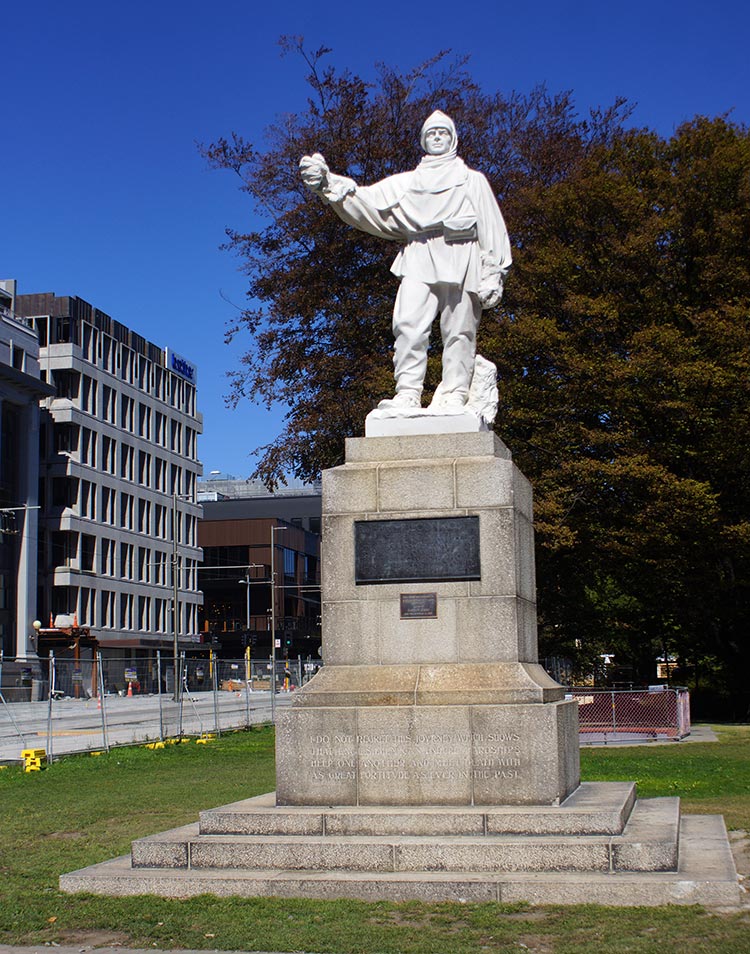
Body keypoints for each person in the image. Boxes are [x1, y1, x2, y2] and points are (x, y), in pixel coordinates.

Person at [300, 111, 512, 410]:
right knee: (407, 324)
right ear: (424, 140)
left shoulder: (471, 181)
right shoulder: (407, 183)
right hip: (419, 253)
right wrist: (327, 182)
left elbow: (491, 227)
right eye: (431, 133)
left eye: (443, 133)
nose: (437, 138)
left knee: (459, 330)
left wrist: (494, 272)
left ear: (453, 138)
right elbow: (367, 202)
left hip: (463, 253)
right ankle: (408, 393)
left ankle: (455, 393)